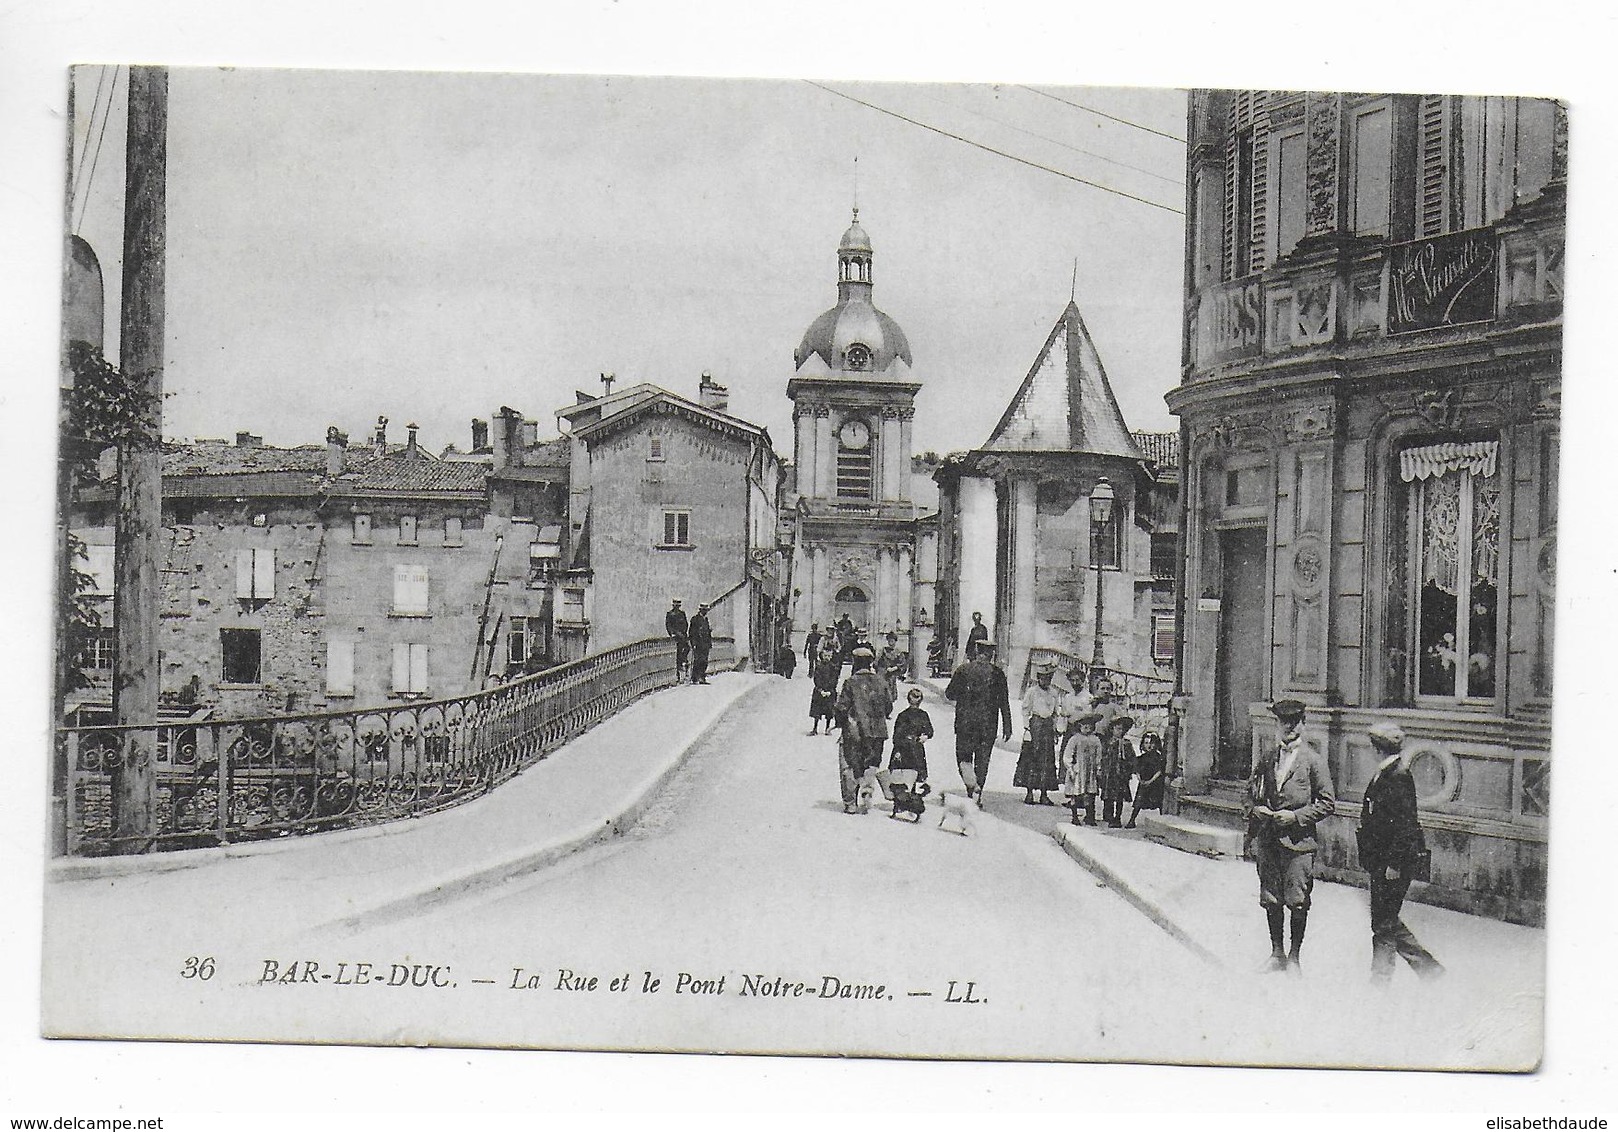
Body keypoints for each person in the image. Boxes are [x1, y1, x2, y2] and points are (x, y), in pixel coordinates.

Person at [1247, 698, 1336, 975]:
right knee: (1271, 898)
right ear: (1277, 724)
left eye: (1294, 722)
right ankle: (1277, 953)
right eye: (1283, 722)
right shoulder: (1268, 757)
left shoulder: (1313, 762)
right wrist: (1255, 809)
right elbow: (1249, 791)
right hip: (1269, 841)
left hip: (1298, 844)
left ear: (1303, 723)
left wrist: (1296, 817)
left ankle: (1295, 958)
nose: (1288, 727)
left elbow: (1327, 802)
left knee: (1297, 900)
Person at [1358, 721, 1444, 984]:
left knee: (1383, 922)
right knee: (1386, 919)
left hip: (1392, 864)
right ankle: (1429, 969)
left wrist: (1394, 863)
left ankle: (1381, 977)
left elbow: (1406, 824)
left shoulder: (1398, 775)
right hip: (1382, 861)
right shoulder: (1388, 772)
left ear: (1377, 748)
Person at [944, 639, 1012, 801]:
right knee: (983, 760)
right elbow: (1004, 702)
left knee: (964, 758)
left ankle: (971, 786)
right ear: (992, 654)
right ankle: (977, 792)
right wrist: (1007, 726)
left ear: (976, 651)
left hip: (965, 724)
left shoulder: (963, 670)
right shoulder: (998, 674)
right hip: (988, 725)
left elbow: (949, 694)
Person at [835, 645, 894, 814]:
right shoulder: (881, 681)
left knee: (849, 764)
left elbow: (841, 708)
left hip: (855, 732)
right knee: (872, 763)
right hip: (877, 732)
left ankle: (850, 803)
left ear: (855, 662)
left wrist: (842, 723)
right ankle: (867, 790)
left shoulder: (851, 682)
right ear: (870, 663)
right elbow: (888, 707)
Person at [1014, 662, 1062, 806]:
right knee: (1031, 758)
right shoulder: (1032, 692)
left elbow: (1055, 713)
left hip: (1047, 727)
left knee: (1046, 760)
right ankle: (1029, 793)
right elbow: (1025, 710)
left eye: (1048, 679)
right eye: (1043, 678)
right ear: (1038, 678)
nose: (1045, 681)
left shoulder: (1054, 693)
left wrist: (1055, 729)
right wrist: (1027, 728)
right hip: (1035, 726)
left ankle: (1044, 794)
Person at [1062, 711, 1102, 826]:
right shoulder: (1075, 739)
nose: (1087, 727)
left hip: (1090, 771)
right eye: (1084, 725)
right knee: (1075, 793)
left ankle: (1090, 816)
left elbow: (1099, 755)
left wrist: (1098, 768)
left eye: (1089, 725)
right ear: (1079, 726)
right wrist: (1070, 768)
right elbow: (1068, 754)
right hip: (1078, 770)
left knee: (1090, 793)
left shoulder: (1095, 740)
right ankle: (1075, 816)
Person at [889, 687, 934, 786]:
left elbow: (896, 736)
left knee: (906, 775)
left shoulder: (903, 715)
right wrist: (925, 736)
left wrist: (925, 736)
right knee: (912, 774)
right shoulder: (921, 715)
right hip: (912, 748)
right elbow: (930, 731)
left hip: (908, 748)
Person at [1099, 714, 1137, 827]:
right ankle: (1108, 815)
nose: (1120, 731)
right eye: (1118, 729)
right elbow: (1102, 756)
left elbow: (1132, 757)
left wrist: (1131, 768)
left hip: (1121, 774)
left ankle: (1118, 817)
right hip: (1109, 773)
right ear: (1112, 729)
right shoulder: (1107, 742)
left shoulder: (1127, 743)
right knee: (1108, 795)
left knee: (1120, 796)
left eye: (1122, 729)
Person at [1127, 729, 1167, 828]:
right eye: (1146, 743)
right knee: (1138, 802)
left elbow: (1159, 771)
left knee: (1159, 801)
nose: (1149, 746)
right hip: (1144, 783)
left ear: (1156, 744)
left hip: (1155, 783)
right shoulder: (1142, 758)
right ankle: (1132, 820)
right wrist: (1140, 779)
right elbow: (1137, 770)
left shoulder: (1158, 758)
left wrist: (1151, 781)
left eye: (1152, 743)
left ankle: (1163, 820)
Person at [808, 647, 840, 734]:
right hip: (819, 691)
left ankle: (827, 728)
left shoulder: (834, 667)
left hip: (830, 692)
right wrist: (820, 689)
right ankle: (815, 728)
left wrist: (830, 690)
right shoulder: (819, 666)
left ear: (832, 656)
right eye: (825, 655)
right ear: (822, 655)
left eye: (829, 656)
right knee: (817, 711)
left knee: (829, 711)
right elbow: (816, 678)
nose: (827, 657)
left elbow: (835, 679)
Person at [688, 602, 713, 685]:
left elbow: (708, 632)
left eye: (706, 610)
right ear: (701, 610)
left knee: (705, 661)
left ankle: (702, 677)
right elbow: (692, 633)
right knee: (698, 660)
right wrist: (693, 643)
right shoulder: (695, 619)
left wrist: (709, 643)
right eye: (704, 610)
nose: (706, 612)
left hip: (705, 644)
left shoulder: (706, 619)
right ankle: (695, 678)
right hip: (698, 643)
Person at [877, 631, 908, 698]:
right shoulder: (883, 650)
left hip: (892, 675)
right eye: (889, 640)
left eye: (892, 640)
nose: (890, 642)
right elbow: (877, 661)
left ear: (895, 641)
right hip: (883, 674)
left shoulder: (898, 652)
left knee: (890, 694)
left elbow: (903, 664)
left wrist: (894, 668)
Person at [665, 598, 689, 681]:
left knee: (686, 649)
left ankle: (683, 664)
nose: (677, 606)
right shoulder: (670, 614)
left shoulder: (682, 614)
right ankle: (678, 673)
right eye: (675, 605)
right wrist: (672, 634)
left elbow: (686, 624)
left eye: (678, 605)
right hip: (676, 637)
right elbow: (668, 625)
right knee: (677, 654)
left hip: (682, 636)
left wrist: (684, 633)